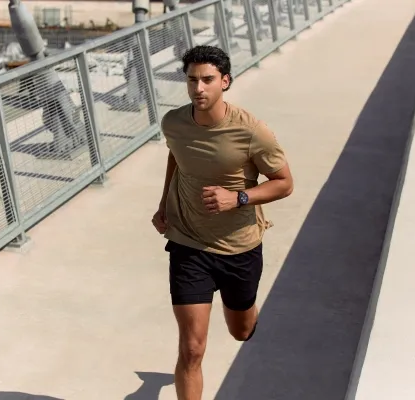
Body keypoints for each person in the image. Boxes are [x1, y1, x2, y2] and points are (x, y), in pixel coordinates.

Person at [151, 45, 294, 400]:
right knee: (192, 348)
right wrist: (164, 203)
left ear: (225, 82)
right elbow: (176, 155)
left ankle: (247, 312)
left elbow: (284, 183)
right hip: (189, 243)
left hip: (239, 247)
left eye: (207, 80)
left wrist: (238, 198)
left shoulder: (252, 131)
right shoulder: (174, 123)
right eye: (192, 80)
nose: (198, 88)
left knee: (240, 331)